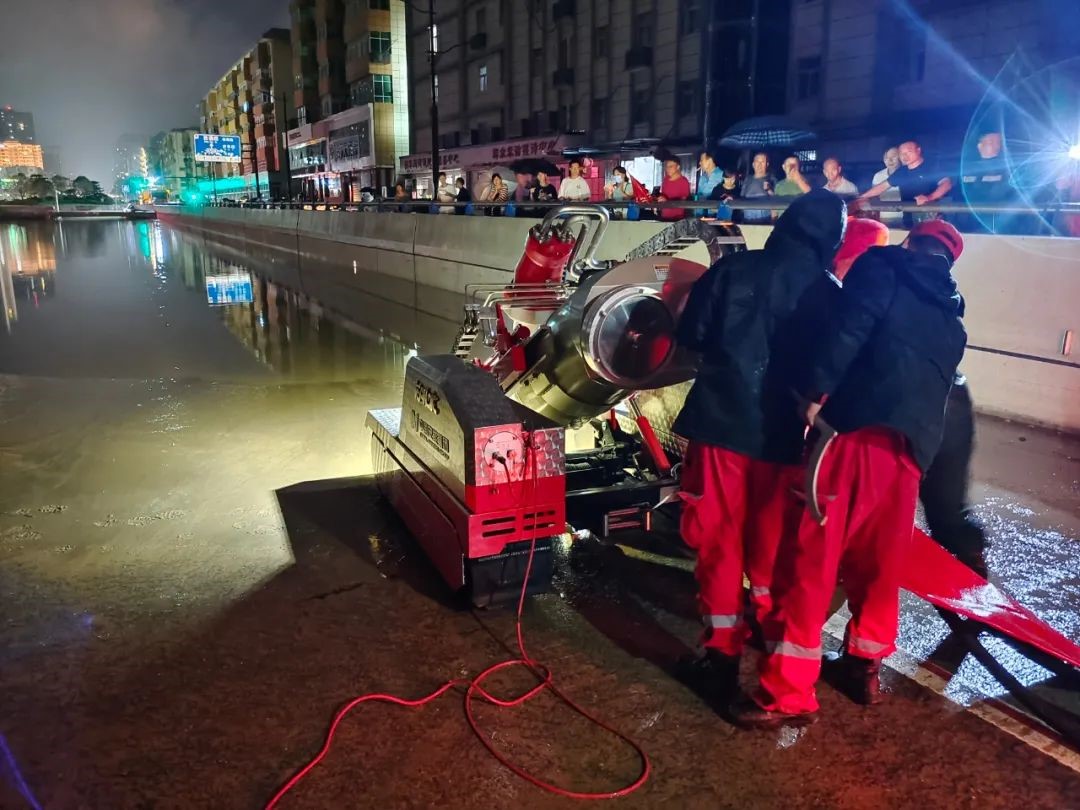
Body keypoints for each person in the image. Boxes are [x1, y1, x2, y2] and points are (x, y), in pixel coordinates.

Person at [733, 219, 968, 728]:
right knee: (879, 563)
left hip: (855, 436)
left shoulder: (882, 268)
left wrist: (814, 395)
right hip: (910, 454)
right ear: (949, 262)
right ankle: (864, 666)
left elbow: (848, 330)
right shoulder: (952, 316)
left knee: (812, 560)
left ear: (911, 242)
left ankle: (788, 693)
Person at [672, 189, 848, 701]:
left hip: (721, 425)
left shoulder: (733, 270)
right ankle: (774, 646)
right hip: (784, 437)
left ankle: (721, 657)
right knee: (772, 546)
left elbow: (693, 335)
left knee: (720, 541)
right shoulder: (831, 291)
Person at [857, 140, 952, 227]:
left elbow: (946, 184)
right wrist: (861, 197)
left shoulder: (932, 166)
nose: (905, 156)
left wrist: (929, 197)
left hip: (932, 218)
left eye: (908, 152)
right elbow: (882, 186)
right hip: (909, 219)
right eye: (901, 154)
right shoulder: (901, 172)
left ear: (918, 150)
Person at [871, 147, 902, 225]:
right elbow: (874, 197)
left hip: (905, 217)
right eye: (886, 158)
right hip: (884, 218)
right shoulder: (878, 176)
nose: (890, 160)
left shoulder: (908, 174)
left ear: (901, 157)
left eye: (893, 157)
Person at [740, 152, 774, 223]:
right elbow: (741, 198)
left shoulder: (772, 179)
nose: (759, 164)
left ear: (767, 164)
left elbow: (777, 200)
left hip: (764, 217)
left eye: (762, 162)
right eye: (757, 161)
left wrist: (769, 190)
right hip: (747, 216)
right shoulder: (747, 179)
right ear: (753, 164)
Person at [658, 156, 691, 221]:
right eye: (667, 167)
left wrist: (667, 201)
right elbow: (663, 195)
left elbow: (683, 201)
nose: (668, 169)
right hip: (664, 217)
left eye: (671, 166)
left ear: (678, 167)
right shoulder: (665, 180)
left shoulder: (683, 181)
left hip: (677, 218)